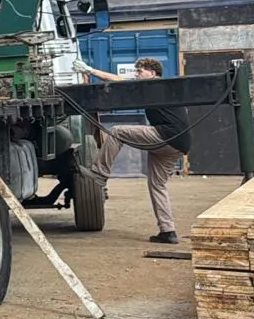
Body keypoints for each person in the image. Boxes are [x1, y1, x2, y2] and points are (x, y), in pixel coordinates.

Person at [70, 56, 189, 244]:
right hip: (179, 144)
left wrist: (90, 70)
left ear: (152, 73)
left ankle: (99, 173)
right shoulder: (164, 88)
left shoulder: (154, 84)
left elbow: (119, 81)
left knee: (117, 132)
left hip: (166, 135)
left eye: (140, 71)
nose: (136, 74)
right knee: (157, 185)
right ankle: (168, 231)